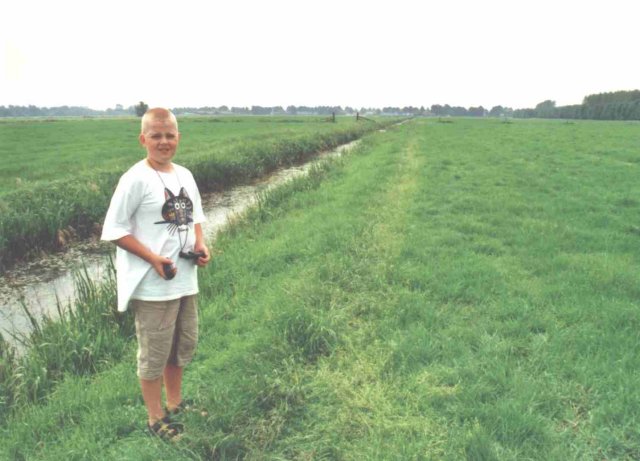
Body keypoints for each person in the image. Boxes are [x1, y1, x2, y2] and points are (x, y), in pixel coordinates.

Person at [101, 107, 211, 439]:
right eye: (156, 135)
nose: (163, 142)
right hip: (152, 286)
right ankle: (155, 417)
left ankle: (175, 404)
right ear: (143, 139)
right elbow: (114, 230)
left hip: (184, 280)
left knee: (180, 345)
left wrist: (202, 246)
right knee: (154, 351)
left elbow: (196, 220)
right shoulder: (134, 178)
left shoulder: (185, 176)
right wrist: (152, 259)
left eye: (169, 135)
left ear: (178, 138)